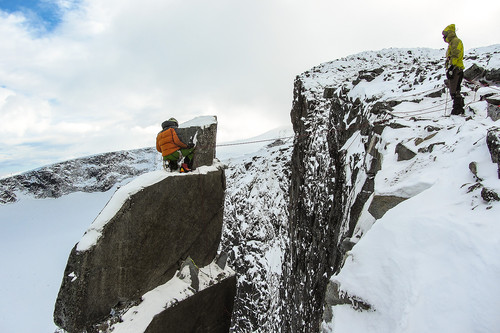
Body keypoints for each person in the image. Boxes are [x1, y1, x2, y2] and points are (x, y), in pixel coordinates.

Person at [442, 24, 465, 115]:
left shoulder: (456, 41)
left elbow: (456, 54)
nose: (444, 37)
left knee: (455, 89)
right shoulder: (452, 42)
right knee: (454, 89)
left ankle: (458, 109)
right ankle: (458, 107)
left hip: (456, 69)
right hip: (453, 68)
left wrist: (452, 67)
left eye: (445, 34)